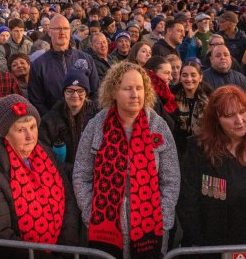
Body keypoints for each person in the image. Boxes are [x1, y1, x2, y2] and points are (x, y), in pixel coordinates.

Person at [73, 61, 180, 258]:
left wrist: (163, 217)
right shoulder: (97, 126)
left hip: (151, 226)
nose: (135, 95)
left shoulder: (158, 126)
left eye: (139, 88)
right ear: (114, 91)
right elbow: (81, 174)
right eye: (127, 88)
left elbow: (171, 178)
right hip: (105, 227)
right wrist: (90, 213)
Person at [177, 85, 246, 254]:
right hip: (215, 245)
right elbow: (189, 201)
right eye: (229, 116)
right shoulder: (199, 148)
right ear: (216, 120)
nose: (239, 120)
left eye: (243, 112)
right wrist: (198, 242)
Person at [0, 95, 79, 259]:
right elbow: (0, 238)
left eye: (33, 127)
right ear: (6, 133)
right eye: (21, 130)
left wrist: (66, 249)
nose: (30, 136)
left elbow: (68, 199)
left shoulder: (47, 154)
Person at [29, 15, 99, 116]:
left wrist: (86, 116)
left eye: (65, 28)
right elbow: (37, 102)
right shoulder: (38, 65)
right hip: (54, 126)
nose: (62, 32)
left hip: (85, 122)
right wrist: (55, 122)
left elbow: (96, 92)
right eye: (57, 28)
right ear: (49, 32)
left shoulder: (86, 59)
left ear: (70, 31)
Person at [39, 69, 96, 174]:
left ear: (86, 93)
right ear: (64, 92)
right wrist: (73, 170)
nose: (75, 95)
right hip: (60, 175)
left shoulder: (96, 117)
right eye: (70, 91)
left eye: (80, 91)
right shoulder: (49, 121)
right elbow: (44, 155)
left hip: (91, 175)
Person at [172, 61, 210, 156]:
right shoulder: (171, 97)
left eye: (193, 75)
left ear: (200, 77)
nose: (189, 79)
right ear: (180, 78)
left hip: (204, 148)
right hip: (178, 149)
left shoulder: (210, 98)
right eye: (184, 75)